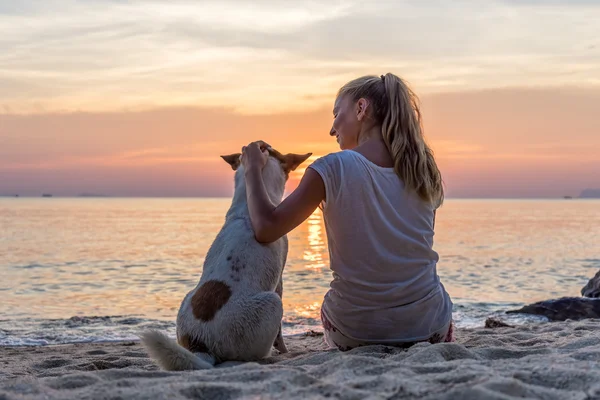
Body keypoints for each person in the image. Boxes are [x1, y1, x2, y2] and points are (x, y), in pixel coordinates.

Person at [240, 73, 453, 351]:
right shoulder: (423, 170)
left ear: (361, 109)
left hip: (355, 331)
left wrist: (252, 169)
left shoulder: (331, 167)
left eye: (336, 113)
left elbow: (266, 228)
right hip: (429, 327)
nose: (332, 129)